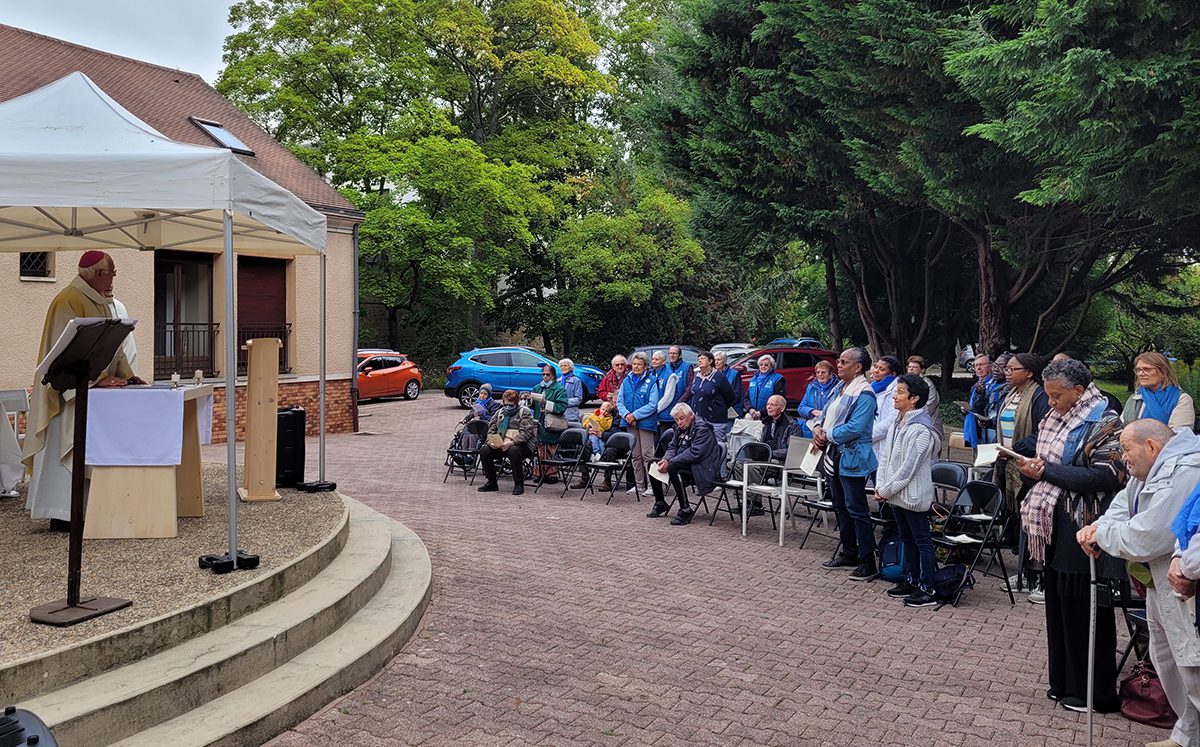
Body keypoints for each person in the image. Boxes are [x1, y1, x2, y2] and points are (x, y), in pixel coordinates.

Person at [1078, 419, 1200, 747]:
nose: (1122, 457)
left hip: (1183, 581)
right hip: (1158, 580)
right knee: (1169, 659)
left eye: (1126, 449)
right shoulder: (1146, 471)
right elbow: (1121, 506)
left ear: (1151, 447)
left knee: (1191, 661)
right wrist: (1102, 526)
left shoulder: (1185, 471)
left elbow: (1152, 535)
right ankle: (1187, 733)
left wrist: (1102, 534)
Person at [1016, 358, 1126, 714]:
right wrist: (1033, 471)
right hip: (1052, 522)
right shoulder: (1054, 418)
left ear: (1079, 392)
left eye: (1057, 396)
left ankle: (1091, 690)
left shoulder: (1106, 422)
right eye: (1048, 395)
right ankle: (1062, 681)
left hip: (1085, 525)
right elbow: (1048, 469)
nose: (1050, 403)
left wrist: (1047, 471)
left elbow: (1106, 476)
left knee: (1085, 610)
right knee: (1058, 607)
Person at [23, 250, 140, 530]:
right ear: (99, 275)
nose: (113, 279)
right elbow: (69, 352)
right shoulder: (68, 301)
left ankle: (86, 509)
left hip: (88, 393)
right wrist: (98, 377)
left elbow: (111, 346)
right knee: (64, 450)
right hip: (66, 395)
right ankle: (62, 512)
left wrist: (129, 376)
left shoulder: (101, 301)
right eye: (112, 273)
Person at [812, 347, 879, 581]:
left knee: (856, 509)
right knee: (840, 506)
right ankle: (849, 552)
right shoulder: (839, 388)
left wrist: (827, 435)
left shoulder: (865, 394)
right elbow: (824, 415)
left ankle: (867, 560)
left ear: (858, 367)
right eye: (838, 361)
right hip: (834, 454)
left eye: (843, 362)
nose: (838, 365)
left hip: (852, 457)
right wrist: (817, 429)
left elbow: (856, 428)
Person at [875, 374, 941, 608]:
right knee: (906, 538)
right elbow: (886, 457)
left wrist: (885, 489)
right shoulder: (897, 422)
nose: (894, 395)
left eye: (900, 392)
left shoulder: (921, 430)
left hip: (912, 496)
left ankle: (928, 587)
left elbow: (908, 469)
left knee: (922, 541)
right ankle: (911, 579)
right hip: (895, 495)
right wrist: (880, 485)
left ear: (914, 399)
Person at [995, 352, 1051, 601]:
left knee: (1032, 523)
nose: (1007, 372)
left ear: (1028, 372)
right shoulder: (1011, 394)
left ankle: (1037, 575)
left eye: (1012, 369)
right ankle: (1025, 572)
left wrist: (1014, 450)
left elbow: (1042, 433)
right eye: (1006, 369)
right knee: (1018, 520)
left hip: (1026, 465)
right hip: (1008, 463)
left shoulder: (1038, 396)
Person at [645, 403, 722, 526]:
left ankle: (685, 509)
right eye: (676, 419)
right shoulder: (678, 428)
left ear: (690, 415)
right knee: (652, 463)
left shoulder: (702, 429)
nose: (679, 422)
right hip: (687, 464)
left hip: (703, 468)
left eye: (682, 418)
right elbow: (672, 447)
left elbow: (695, 453)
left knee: (673, 467)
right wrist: (665, 459)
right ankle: (660, 503)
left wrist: (670, 462)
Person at [476, 389, 538, 496]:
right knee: (484, 449)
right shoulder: (499, 412)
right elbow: (491, 430)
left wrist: (511, 443)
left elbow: (525, 434)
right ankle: (492, 482)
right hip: (502, 444)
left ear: (516, 403)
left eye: (511, 405)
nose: (508, 407)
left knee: (514, 451)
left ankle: (518, 483)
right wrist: (491, 442)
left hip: (522, 445)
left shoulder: (525, 412)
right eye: (506, 404)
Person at [618, 352, 661, 497]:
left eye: (639, 364)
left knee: (647, 455)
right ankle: (639, 485)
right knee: (635, 455)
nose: (636, 367)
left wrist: (635, 415)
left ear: (645, 366)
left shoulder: (652, 381)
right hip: (629, 422)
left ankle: (652, 486)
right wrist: (627, 415)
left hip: (646, 423)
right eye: (634, 364)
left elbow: (653, 404)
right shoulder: (626, 380)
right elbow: (620, 402)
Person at [1122, 351, 1195, 430]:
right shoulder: (1135, 398)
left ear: (1163, 372)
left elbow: (1180, 436)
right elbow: (1121, 427)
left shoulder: (1182, 399)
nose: (1140, 373)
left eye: (1146, 369)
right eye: (1138, 370)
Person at [530, 365, 569, 484]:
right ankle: (538, 473)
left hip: (552, 423)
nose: (545, 377)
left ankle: (551, 474)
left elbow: (562, 407)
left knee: (550, 447)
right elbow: (532, 406)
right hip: (539, 421)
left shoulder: (559, 389)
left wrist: (546, 403)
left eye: (548, 375)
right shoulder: (537, 388)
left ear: (553, 376)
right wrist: (527, 399)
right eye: (543, 374)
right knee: (539, 447)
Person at [686, 351, 736, 440]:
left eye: (703, 358)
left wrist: (718, 407)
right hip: (698, 419)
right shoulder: (696, 376)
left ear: (710, 361)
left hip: (715, 420)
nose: (700, 361)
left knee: (717, 447)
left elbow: (730, 397)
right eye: (698, 359)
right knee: (700, 447)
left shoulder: (719, 377)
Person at [569, 401, 617, 490]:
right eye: (613, 401)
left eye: (615, 402)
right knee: (585, 445)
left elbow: (615, 432)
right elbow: (589, 420)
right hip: (595, 436)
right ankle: (585, 478)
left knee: (610, 450)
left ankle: (607, 480)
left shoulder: (615, 416)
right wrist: (588, 427)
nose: (615, 404)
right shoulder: (596, 413)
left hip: (609, 440)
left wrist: (602, 434)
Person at [962, 354, 1002, 447]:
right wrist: (964, 410)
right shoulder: (975, 386)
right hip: (976, 430)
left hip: (990, 430)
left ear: (991, 366)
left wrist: (980, 394)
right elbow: (975, 407)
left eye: (982, 365)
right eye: (976, 365)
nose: (978, 368)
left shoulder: (996, 385)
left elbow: (986, 408)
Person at [869, 355, 901, 463]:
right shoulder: (873, 386)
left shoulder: (896, 389)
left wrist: (869, 435)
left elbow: (893, 419)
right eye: (876, 367)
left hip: (884, 443)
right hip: (871, 445)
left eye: (882, 369)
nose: (876, 371)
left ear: (892, 374)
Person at [905, 356, 943, 443]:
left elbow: (928, 407)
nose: (911, 369)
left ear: (922, 370)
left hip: (928, 426)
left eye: (915, 367)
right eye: (909, 367)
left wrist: (910, 415)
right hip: (910, 425)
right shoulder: (905, 383)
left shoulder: (927, 384)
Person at [797, 360, 837, 437]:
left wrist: (823, 414)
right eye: (818, 372)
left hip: (829, 428)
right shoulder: (811, 387)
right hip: (811, 426)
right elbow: (801, 408)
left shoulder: (837, 388)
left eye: (823, 372)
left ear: (831, 374)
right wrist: (812, 411)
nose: (820, 375)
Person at [650, 350, 681, 435]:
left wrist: (654, 410)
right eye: (653, 359)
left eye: (657, 359)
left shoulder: (671, 375)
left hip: (665, 416)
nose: (654, 361)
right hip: (653, 415)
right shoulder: (651, 374)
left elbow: (668, 397)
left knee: (665, 442)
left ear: (663, 361)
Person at [744, 355, 785, 419]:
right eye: (761, 364)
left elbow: (778, 400)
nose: (763, 366)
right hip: (753, 414)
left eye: (766, 365)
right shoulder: (754, 379)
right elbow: (746, 398)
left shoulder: (778, 379)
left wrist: (761, 412)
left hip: (769, 416)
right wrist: (750, 409)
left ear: (771, 366)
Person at [714, 350, 744, 419]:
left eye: (719, 360)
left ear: (724, 361)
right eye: (715, 360)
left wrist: (723, 404)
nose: (716, 362)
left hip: (732, 410)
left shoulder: (734, 374)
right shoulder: (712, 374)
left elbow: (737, 394)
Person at [557, 358, 584, 426]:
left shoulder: (576, 380)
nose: (563, 367)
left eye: (565, 365)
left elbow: (579, 399)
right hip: (558, 414)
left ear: (571, 368)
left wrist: (564, 402)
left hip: (571, 415)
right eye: (561, 366)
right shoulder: (558, 381)